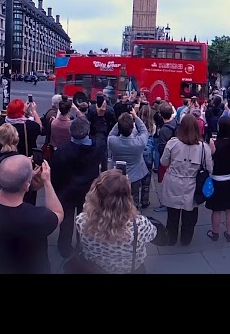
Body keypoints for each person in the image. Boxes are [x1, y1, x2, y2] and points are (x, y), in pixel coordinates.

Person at [0, 155, 63, 274]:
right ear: (27, 186)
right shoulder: (37, 218)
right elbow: (58, 213)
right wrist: (47, 182)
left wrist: (23, 177)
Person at [72, 169, 158, 273]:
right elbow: (154, 234)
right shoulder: (140, 225)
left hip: (96, 269)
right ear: (127, 198)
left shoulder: (82, 221)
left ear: (95, 194)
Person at [50, 116, 106, 259]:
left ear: (71, 131)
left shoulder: (61, 151)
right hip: (88, 192)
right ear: (87, 132)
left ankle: (64, 247)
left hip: (67, 191)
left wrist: (58, 192)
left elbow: (54, 175)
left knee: (66, 221)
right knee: (86, 221)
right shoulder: (98, 146)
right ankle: (83, 247)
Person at [159, 114, 213, 246]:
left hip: (173, 182)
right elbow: (209, 169)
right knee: (190, 214)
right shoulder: (203, 147)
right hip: (192, 183)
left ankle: (171, 238)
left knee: (172, 213)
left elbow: (163, 162)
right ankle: (186, 238)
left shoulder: (172, 143)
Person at [206, 116, 230, 242]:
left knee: (216, 210)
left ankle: (215, 233)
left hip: (217, 179)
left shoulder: (214, 143)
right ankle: (229, 233)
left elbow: (210, 159)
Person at [108, 108, 151, 209]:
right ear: (132, 128)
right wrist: (135, 117)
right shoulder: (139, 143)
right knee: (133, 199)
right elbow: (144, 130)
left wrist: (120, 122)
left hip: (117, 175)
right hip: (135, 175)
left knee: (117, 199)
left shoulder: (112, 141)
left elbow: (112, 133)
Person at [5, 98, 43, 205]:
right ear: (22, 111)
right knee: (28, 192)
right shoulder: (29, 126)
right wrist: (34, 111)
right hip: (27, 160)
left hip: (9, 160)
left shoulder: (5, 125)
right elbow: (39, 127)